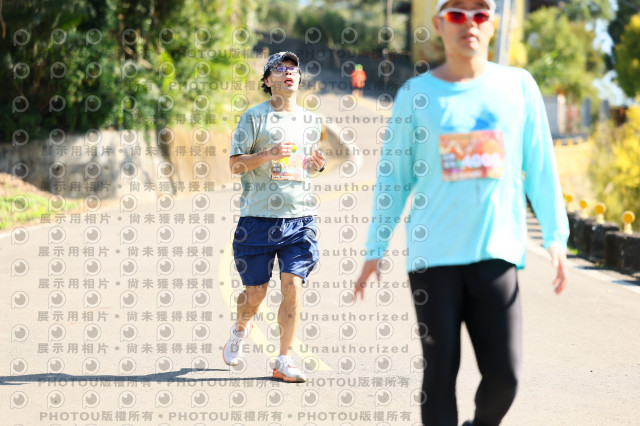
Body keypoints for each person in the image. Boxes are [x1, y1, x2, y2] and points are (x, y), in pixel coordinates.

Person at [354, 0, 570, 424]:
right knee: (440, 373)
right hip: (432, 258)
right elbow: (393, 178)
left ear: (492, 24)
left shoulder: (518, 87)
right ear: (439, 24)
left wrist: (555, 237)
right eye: (457, 14)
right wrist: (375, 247)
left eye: (480, 14)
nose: (469, 22)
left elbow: (541, 167)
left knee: (505, 377)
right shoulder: (415, 95)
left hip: (495, 253)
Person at [223, 51, 326, 383]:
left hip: (300, 217)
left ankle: (283, 359)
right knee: (255, 294)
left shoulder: (311, 121)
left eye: (293, 68)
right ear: (268, 81)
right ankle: (241, 326)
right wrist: (267, 154)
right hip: (258, 218)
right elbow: (235, 165)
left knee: (292, 284)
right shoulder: (254, 118)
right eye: (280, 69)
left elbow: (305, 166)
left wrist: (317, 165)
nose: (288, 73)